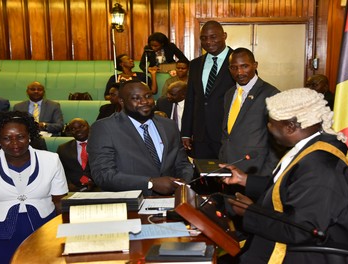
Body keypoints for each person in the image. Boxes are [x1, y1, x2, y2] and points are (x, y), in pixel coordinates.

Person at [221, 88, 348, 263]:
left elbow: (301, 230)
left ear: (290, 127)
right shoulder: (316, 145)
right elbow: (292, 188)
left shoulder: (320, 167)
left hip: (312, 256)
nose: (268, 127)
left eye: (271, 123)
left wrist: (251, 212)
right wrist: (245, 180)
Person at [0, 111, 68, 263]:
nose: (15, 144)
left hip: (43, 233)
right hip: (0, 235)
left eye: (20, 137)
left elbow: (60, 203)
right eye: (6, 138)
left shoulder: (51, 160)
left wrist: (67, 236)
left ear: (29, 136)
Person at [88, 80, 193, 196]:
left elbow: (183, 164)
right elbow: (103, 175)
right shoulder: (104, 128)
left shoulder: (169, 125)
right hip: (130, 205)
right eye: (136, 98)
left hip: (171, 202)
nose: (145, 102)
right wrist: (150, 183)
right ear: (122, 102)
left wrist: (184, 183)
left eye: (148, 96)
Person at [219, 48, 280, 176]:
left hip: (256, 169)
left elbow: (278, 141)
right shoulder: (229, 94)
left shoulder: (271, 94)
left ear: (255, 65)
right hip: (228, 167)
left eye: (244, 66)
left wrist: (267, 173)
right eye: (234, 68)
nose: (239, 72)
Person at [181, 20, 235, 158]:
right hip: (200, 136)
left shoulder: (239, 62)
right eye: (204, 38)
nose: (208, 42)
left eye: (213, 37)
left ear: (224, 35)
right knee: (202, 177)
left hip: (228, 135)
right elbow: (191, 100)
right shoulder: (195, 65)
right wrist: (186, 132)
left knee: (228, 177)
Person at [57, 118, 96, 192]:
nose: (78, 130)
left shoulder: (101, 145)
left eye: (81, 127)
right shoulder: (63, 149)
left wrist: (94, 183)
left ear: (89, 127)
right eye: (73, 128)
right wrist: (68, 185)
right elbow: (60, 171)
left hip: (99, 187)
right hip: (73, 189)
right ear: (70, 132)